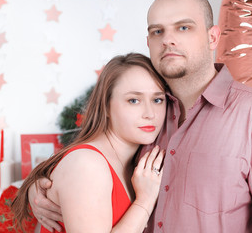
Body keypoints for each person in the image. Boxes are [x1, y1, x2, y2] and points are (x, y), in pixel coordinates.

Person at [28, 0, 252, 232]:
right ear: (148, 42)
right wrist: (39, 188)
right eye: (157, 31)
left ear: (212, 37)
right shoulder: (147, 118)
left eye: (183, 28)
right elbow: (92, 164)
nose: (168, 40)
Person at [11, 53, 168, 232]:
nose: (150, 113)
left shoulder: (135, 165)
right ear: (106, 106)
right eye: (133, 100)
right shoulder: (88, 164)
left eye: (157, 100)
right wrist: (144, 202)